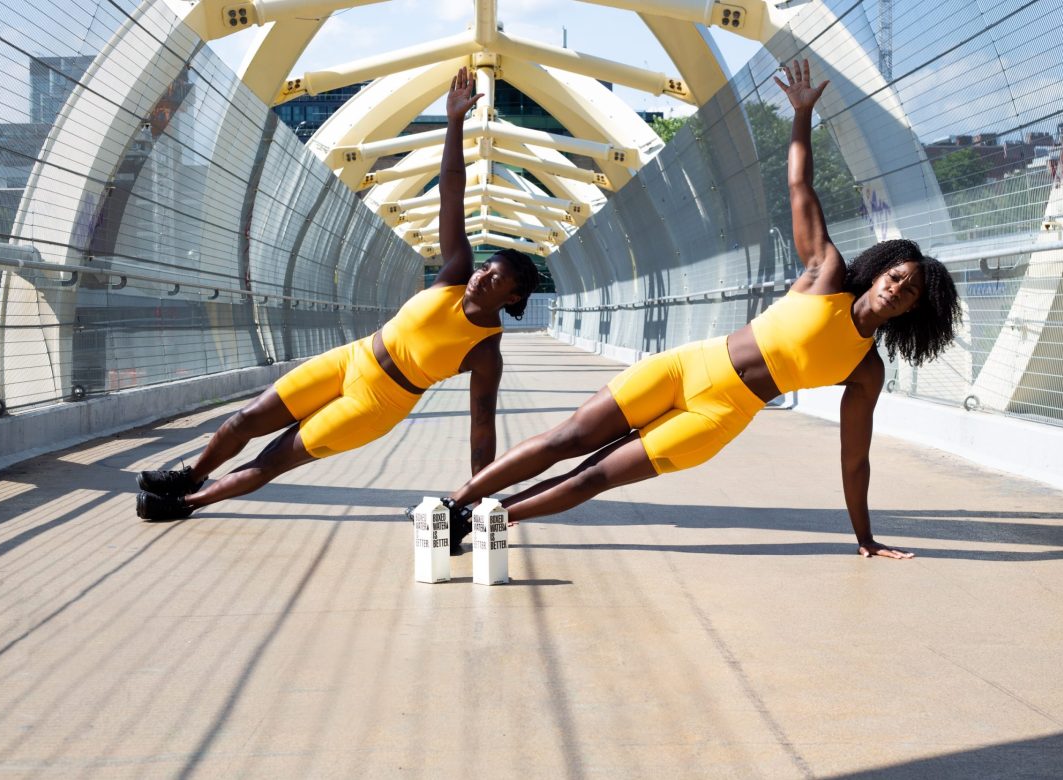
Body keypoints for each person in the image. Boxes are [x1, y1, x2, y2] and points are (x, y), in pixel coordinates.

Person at [443, 59, 961, 559]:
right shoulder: (825, 274)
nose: (899, 290)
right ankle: (455, 503)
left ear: (913, 311)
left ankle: (477, 521)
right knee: (568, 438)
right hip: (683, 368)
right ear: (880, 270)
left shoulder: (866, 368)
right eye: (897, 277)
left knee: (593, 476)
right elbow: (800, 187)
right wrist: (802, 113)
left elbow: (854, 459)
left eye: (911, 293)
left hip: (718, 415)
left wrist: (865, 536)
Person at [136, 66, 539, 546]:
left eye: (494, 278)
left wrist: (478, 497)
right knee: (246, 419)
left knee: (274, 458)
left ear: (512, 297)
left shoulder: (486, 352)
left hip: (375, 404)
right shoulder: (454, 272)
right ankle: (189, 476)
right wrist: (453, 122)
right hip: (352, 358)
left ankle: (186, 503)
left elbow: (481, 429)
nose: (480, 276)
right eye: (485, 267)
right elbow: (452, 193)